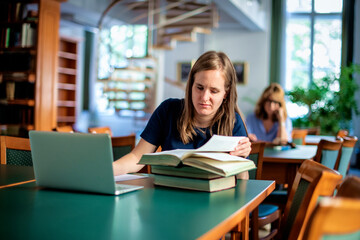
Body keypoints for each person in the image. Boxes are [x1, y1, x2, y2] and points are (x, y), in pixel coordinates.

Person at [113, 51, 251, 176]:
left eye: (214, 91)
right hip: (169, 196)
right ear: (191, 85)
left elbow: (242, 180)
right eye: (199, 87)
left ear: (225, 94)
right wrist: (108, 170)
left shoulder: (233, 122)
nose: (204, 97)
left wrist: (240, 159)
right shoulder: (168, 110)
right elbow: (137, 157)